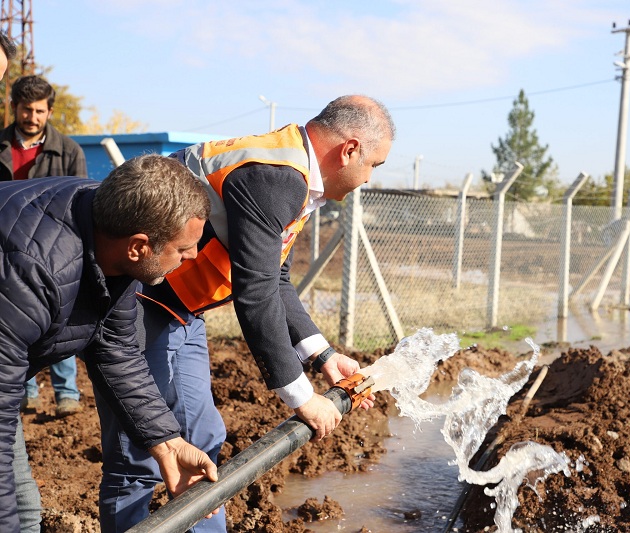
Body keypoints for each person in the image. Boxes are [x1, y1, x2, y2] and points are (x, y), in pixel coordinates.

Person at [95, 95, 395, 532]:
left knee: (204, 438)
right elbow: (254, 295)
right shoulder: (275, 177)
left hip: (182, 311)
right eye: (374, 165)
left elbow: (276, 279)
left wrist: (325, 357)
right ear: (349, 150)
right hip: (137, 307)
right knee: (138, 455)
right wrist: (302, 397)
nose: (367, 179)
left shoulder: (294, 175)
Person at [1, 154, 220, 533]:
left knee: (22, 513)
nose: (193, 257)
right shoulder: (28, 274)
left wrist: (166, 442)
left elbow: (115, 350)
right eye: (184, 247)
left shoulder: (111, 240)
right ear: (139, 246)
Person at [0, 74, 89, 417]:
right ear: (15, 108)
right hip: (7, 249)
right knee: (13, 320)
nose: (32, 117)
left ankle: (67, 393)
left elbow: (83, 200)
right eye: (26, 109)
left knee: (60, 320)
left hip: (55, 249)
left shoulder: (68, 151)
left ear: (49, 112)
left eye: (39, 111)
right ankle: (25, 391)